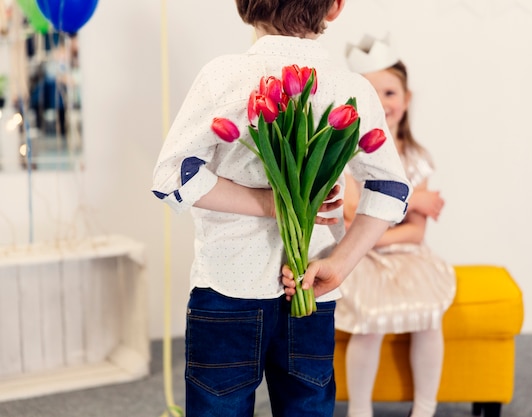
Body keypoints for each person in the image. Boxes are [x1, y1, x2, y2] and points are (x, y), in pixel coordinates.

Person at [151, 2, 411, 417]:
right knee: (307, 408)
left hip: (226, 287)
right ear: (335, 7)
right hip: (312, 282)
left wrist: (270, 203)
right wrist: (339, 262)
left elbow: (172, 177)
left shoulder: (223, 75)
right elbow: (392, 189)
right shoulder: (352, 88)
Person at [334, 35, 457, 417]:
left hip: (405, 254)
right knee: (369, 323)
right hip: (360, 258)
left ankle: (424, 406)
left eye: (389, 92)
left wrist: (381, 231)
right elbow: (352, 213)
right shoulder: (347, 153)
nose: (382, 103)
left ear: (406, 98)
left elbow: (415, 232)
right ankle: (359, 408)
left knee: (429, 320)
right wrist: (412, 199)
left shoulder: (416, 158)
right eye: (370, 93)